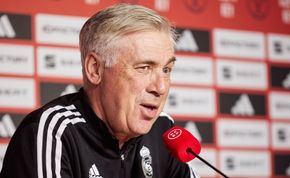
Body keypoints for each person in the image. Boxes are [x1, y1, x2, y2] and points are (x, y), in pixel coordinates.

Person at [0, 3, 199, 178]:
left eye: (166, 69)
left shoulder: (163, 130)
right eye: (144, 68)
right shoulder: (53, 132)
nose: (161, 87)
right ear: (95, 69)